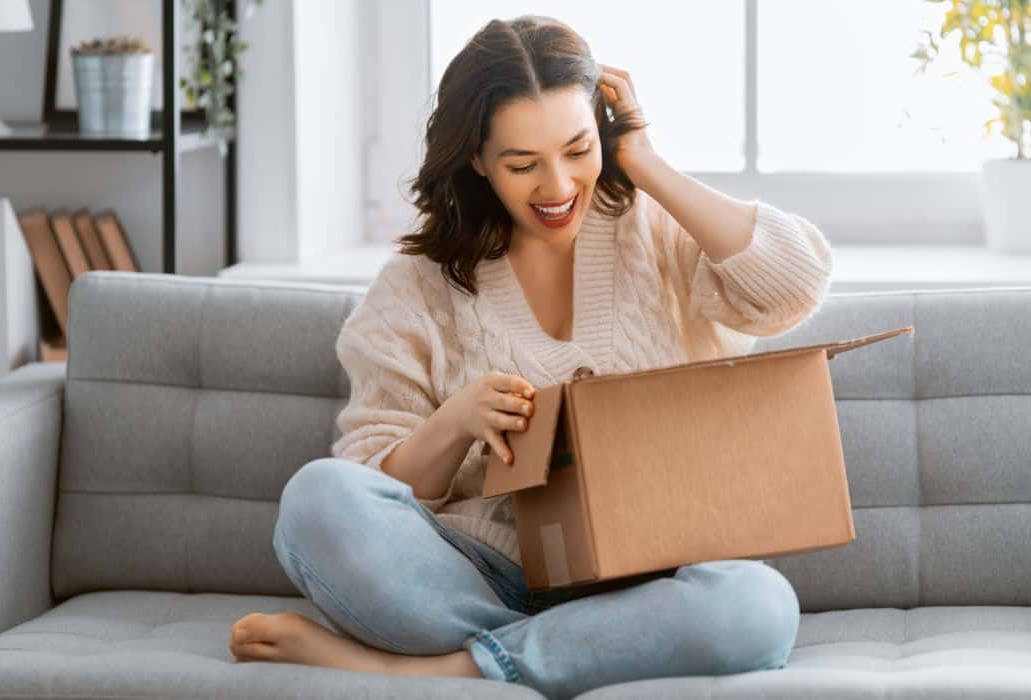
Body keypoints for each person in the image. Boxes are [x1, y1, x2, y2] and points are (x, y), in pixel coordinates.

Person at [228, 14, 833, 699]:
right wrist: (454, 423)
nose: (557, 186)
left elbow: (794, 287)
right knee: (317, 498)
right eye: (523, 164)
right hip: (475, 574)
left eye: (578, 149)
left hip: (651, 580)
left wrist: (645, 163)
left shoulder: (652, 226)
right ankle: (569, 653)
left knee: (758, 607)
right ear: (479, 159)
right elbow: (372, 479)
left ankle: (439, 671)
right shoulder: (416, 286)